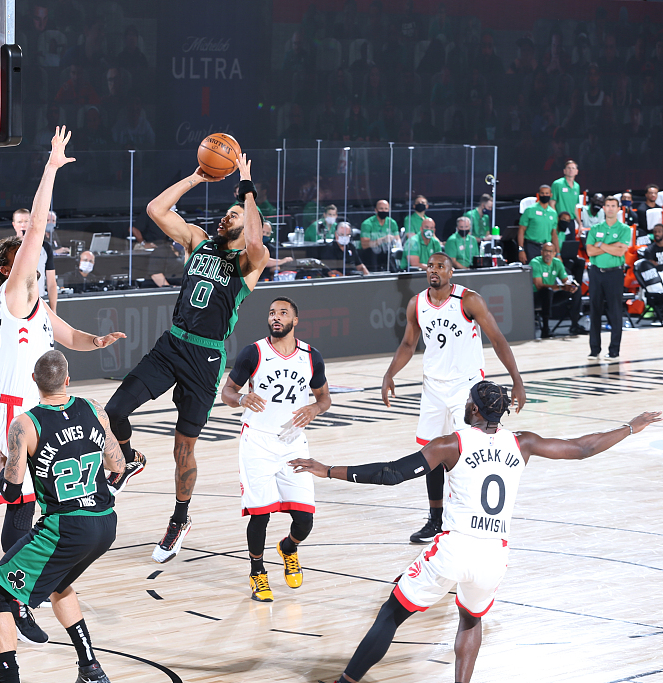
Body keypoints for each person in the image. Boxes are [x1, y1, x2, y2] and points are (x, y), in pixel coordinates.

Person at [290, 382, 660, 683]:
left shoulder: (451, 444)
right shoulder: (523, 443)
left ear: (475, 411)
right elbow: (582, 448)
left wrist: (328, 470)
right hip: (494, 555)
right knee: (470, 617)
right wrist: (631, 426)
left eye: (469, 401)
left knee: (391, 613)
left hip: (455, 546)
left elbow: (391, 473)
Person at [0, 127, 124, 643]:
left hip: (32, 402)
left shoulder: (39, 308)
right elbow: (38, 229)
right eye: (22, 253)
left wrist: (98, 340)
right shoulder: (14, 292)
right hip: (13, 407)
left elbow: (72, 340)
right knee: (21, 500)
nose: (32, 255)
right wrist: (50, 169)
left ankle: (24, 585)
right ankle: (16, 595)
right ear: (9, 267)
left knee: (43, 500)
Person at [104, 153, 269, 564]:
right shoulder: (198, 241)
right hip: (172, 344)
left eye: (233, 215)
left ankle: (180, 518)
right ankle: (127, 459)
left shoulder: (249, 262)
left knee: (183, 448)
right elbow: (155, 210)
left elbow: (254, 240)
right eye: (227, 213)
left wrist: (247, 191)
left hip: (206, 358)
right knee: (114, 410)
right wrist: (196, 176)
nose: (225, 218)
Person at [0, 350, 124, 683]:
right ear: (67, 379)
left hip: (65, 527)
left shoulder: (25, 425)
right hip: (105, 522)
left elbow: (14, 494)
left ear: (34, 381)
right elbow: (118, 465)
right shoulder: (93, 408)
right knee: (59, 584)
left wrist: (4, 468)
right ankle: (90, 669)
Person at [381, 252, 526, 544]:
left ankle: (469, 516)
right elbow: (409, 344)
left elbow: (497, 339)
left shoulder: (469, 300)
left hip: (465, 386)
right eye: (430, 267)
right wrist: (389, 374)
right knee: (432, 453)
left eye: (440, 267)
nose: (433, 270)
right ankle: (435, 519)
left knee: (467, 453)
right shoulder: (417, 303)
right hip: (433, 388)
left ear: (451, 273)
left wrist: (517, 380)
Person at [219, 297, 330, 602]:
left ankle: (289, 547)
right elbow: (227, 391)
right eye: (272, 313)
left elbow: (324, 398)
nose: (275, 317)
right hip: (258, 442)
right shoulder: (253, 352)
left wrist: (315, 410)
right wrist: (240, 399)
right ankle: (257, 573)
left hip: (293, 442)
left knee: (304, 519)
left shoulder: (311, 356)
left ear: (295, 321)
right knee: (260, 515)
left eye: (283, 313)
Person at [585, 196, 630, 362]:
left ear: (619, 209)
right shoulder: (595, 228)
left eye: (613, 206)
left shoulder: (625, 229)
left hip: (614, 273)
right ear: (603, 208)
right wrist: (611, 246)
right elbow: (589, 251)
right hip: (596, 272)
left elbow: (620, 252)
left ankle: (614, 351)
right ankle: (594, 350)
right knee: (595, 310)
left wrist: (600, 245)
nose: (610, 208)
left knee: (615, 312)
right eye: (608, 206)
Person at [9, 207, 57, 313]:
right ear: (14, 225)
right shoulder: (8, 247)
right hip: (14, 301)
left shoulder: (45, 247)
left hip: (38, 300)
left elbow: (51, 282)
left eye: (26, 221)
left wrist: (53, 309)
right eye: (20, 222)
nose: (23, 225)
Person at [530, 241, 582, 338]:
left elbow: (565, 281)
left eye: (551, 252)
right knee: (547, 291)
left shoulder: (557, 263)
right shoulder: (535, 262)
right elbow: (539, 285)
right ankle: (545, 329)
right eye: (546, 251)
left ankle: (575, 325)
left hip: (551, 296)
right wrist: (561, 287)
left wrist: (571, 285)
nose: (548, 254)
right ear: (541, 252)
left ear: (554, 254)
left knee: (576, 290)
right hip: (536, 297)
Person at [517, 185, 558, 263]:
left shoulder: (553, 213)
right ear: (538, 194)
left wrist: (557, 253)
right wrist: (521, 249)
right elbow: (521, 231)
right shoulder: (530, 210)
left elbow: (554, 234)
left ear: (551, 195)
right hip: (531, 246)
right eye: (542, 193)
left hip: (547, 248)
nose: (544, 195)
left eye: (547, 193)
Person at [359, 200, 399, 272]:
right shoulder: (367, 224)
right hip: (371, 255)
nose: (384, 211)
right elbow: (364, 244)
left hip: (388, 254)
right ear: (376, 210)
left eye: (386, 209)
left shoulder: (392, 223)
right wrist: (382, 240)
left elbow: (398, 240)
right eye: (381, 209)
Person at [550, 160, 581, 225]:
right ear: (564, 171)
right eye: (568, 168)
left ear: (577, 171)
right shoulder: (557, 184)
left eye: (573, 168)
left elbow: (574, 206)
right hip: (559, 220)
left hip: (571, 221)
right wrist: (556, 219)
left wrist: (579, 223)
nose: (571, 170)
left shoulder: (577, 186)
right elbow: (552, 203)